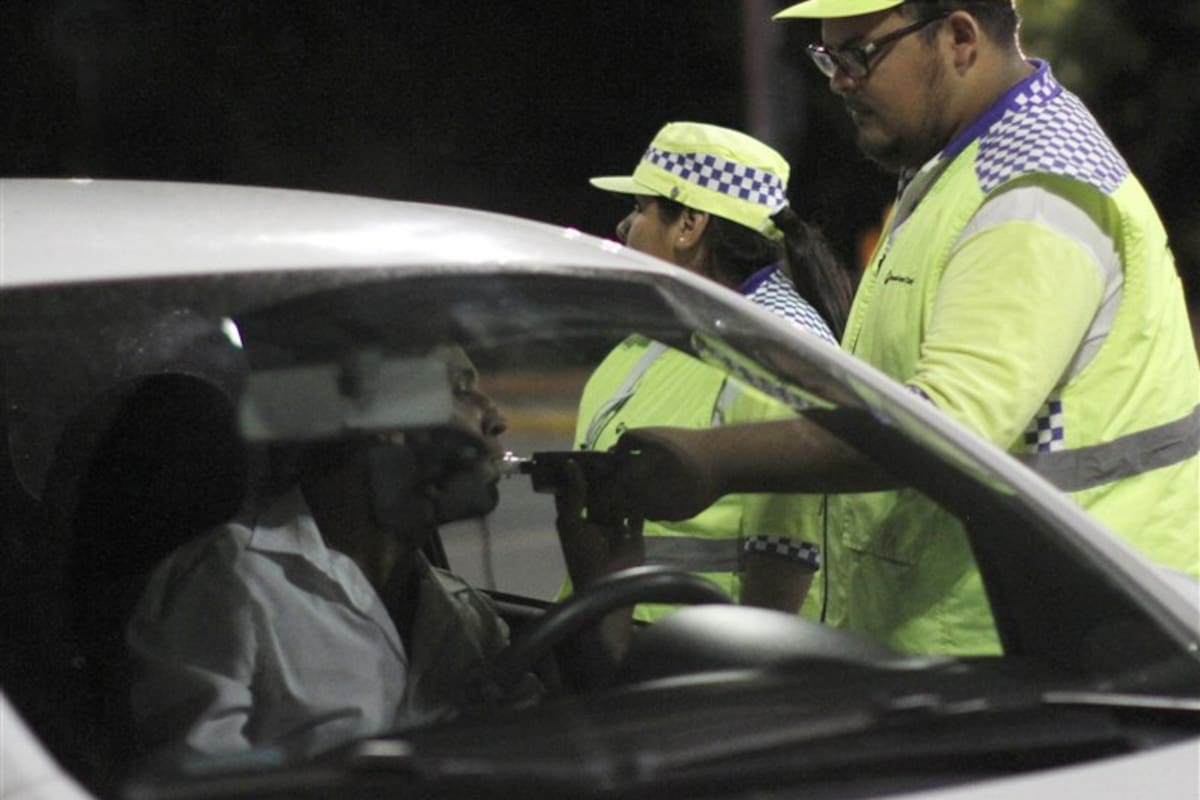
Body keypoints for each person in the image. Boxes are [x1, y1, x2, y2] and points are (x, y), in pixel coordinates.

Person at [593, 0, 1200, 655]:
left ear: (960, 38)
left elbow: (949, 424)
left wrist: (713, 458)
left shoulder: (1031, 191)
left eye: (860, 54)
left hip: (1054, 651)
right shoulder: (958, 171)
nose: (840, 80)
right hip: (989, 640)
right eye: (828, 58)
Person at [126, 345, 536, 766]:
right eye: (461, 390)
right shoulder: (230, 582)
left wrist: (594, 555)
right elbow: (196, 782)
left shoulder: (464, 615)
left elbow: (544, 751)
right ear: (382, 420)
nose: (497, 417)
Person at [562, 121, 852, 621]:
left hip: (695, 668)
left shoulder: (780, 356)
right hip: (609, 646)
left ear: (689, 225)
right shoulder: (655, 338)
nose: (623, 227)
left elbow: (787, 559)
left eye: (639, 207)